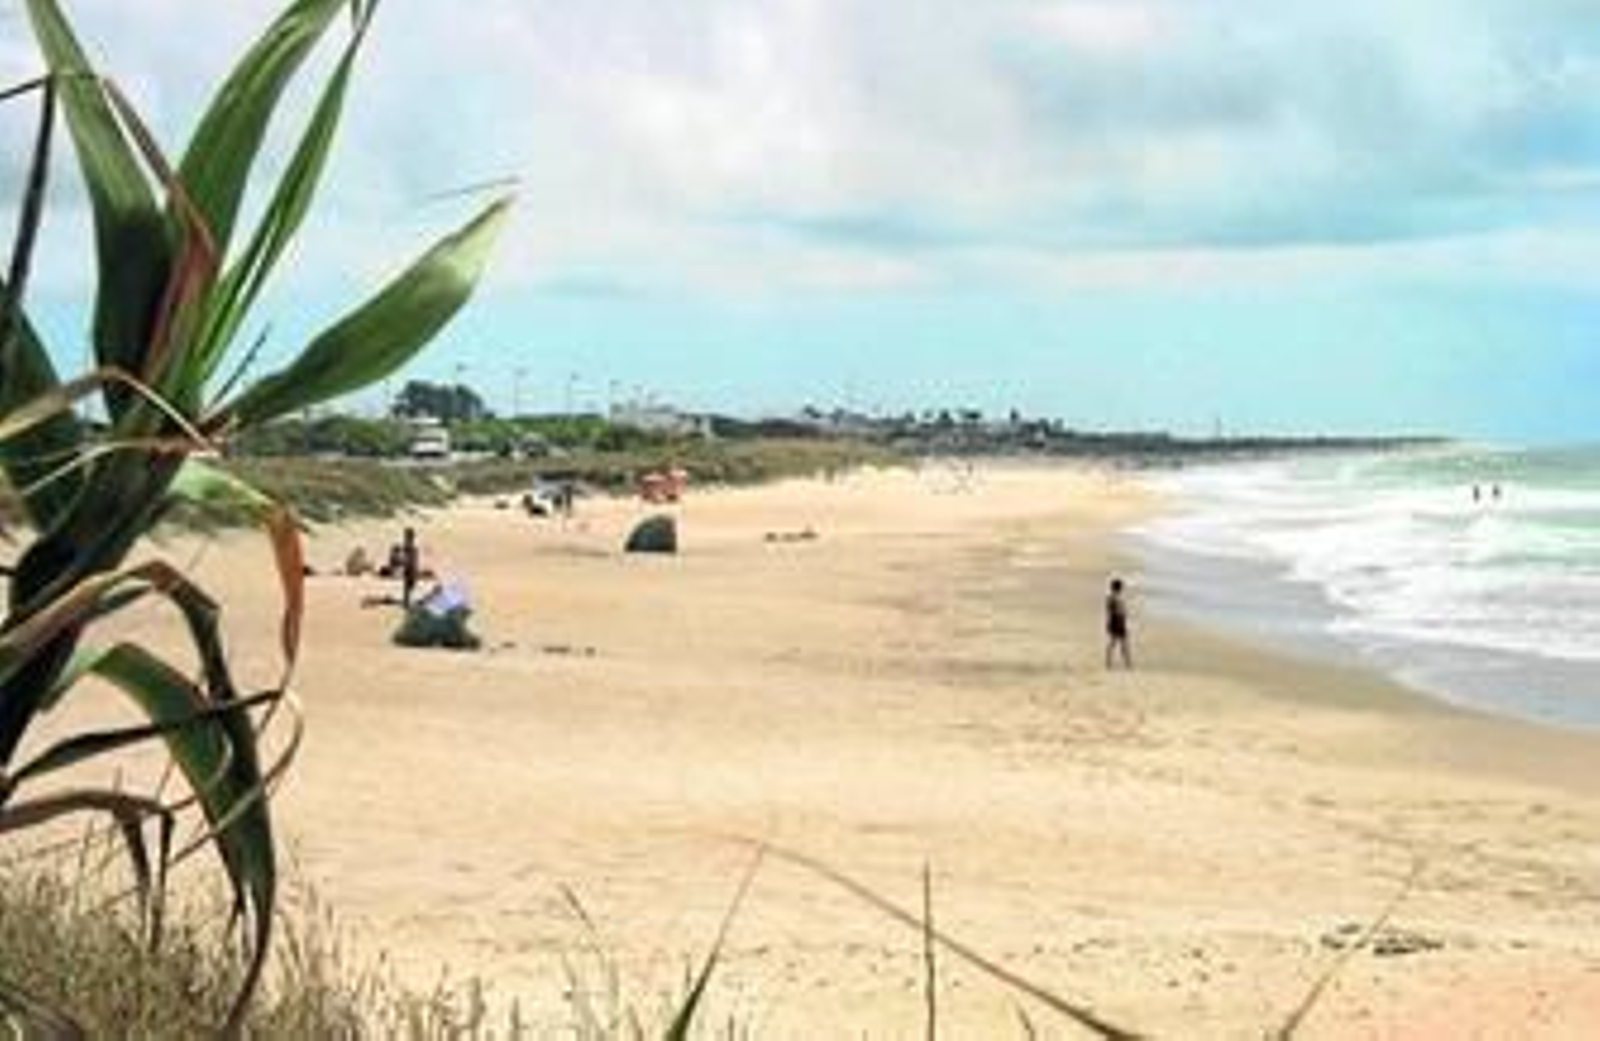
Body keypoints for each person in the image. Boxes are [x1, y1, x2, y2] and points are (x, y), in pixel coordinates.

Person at [1105, 576, 1133, 670]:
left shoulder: (1110, 598)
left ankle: (1109, 663)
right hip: (1118, 622)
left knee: (1113, 643)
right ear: (1119, 588)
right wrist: (1123, 618)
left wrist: (1109, 622)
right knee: (1123, 644)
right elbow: (1119, 611)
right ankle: (1127, 664)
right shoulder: (1117, 598)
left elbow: (1109, 611)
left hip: (1113, 621)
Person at [397, 527, 420, 608]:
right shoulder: (410, 547)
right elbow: (412, 559)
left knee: (408, 587)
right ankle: (406, 602)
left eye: (406, 536)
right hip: (410, 568)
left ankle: (406, 602)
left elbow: (411, 559)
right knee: (408, 586)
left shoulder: (411, 547)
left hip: (410, 568)